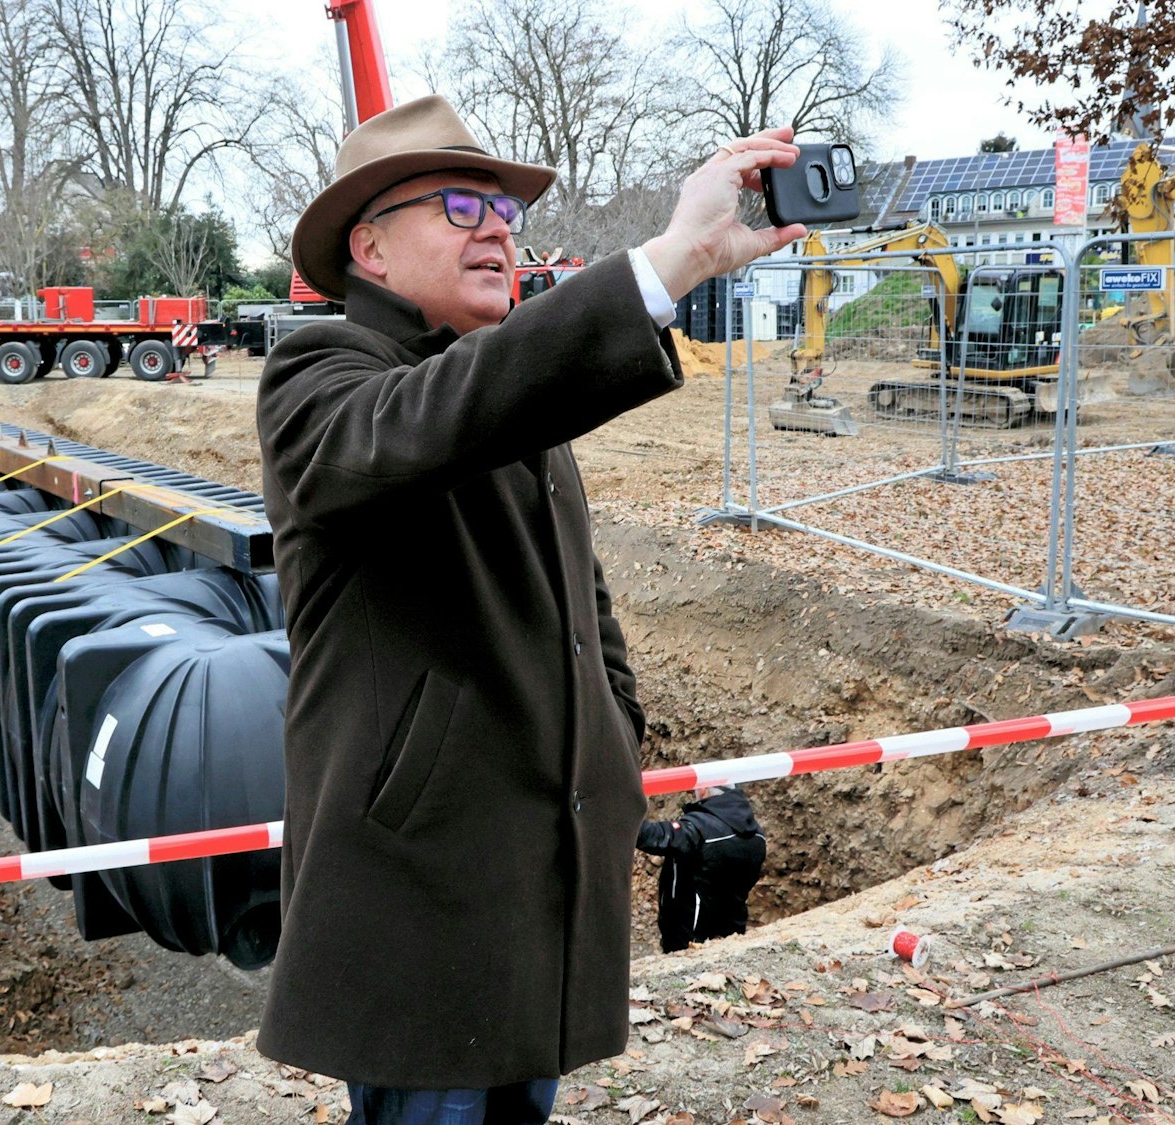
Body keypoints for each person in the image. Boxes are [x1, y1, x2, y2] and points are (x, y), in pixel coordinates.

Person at [253, 94, 806, 1123]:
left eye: (504, 210)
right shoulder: (321, 375)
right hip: (426, 894)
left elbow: (584, 605)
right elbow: (437, 414)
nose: (498, 229)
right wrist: (670, 261)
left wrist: (614, 733)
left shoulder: (515, 394)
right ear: (369, 248)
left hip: (536, 881)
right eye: (460, 206)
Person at [636, 785, 769, 954]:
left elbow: (655, 836)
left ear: (704, 790)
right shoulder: (757, 834)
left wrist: (618, 816)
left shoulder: (699, 828)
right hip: (734, 932)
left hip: (689, 937)